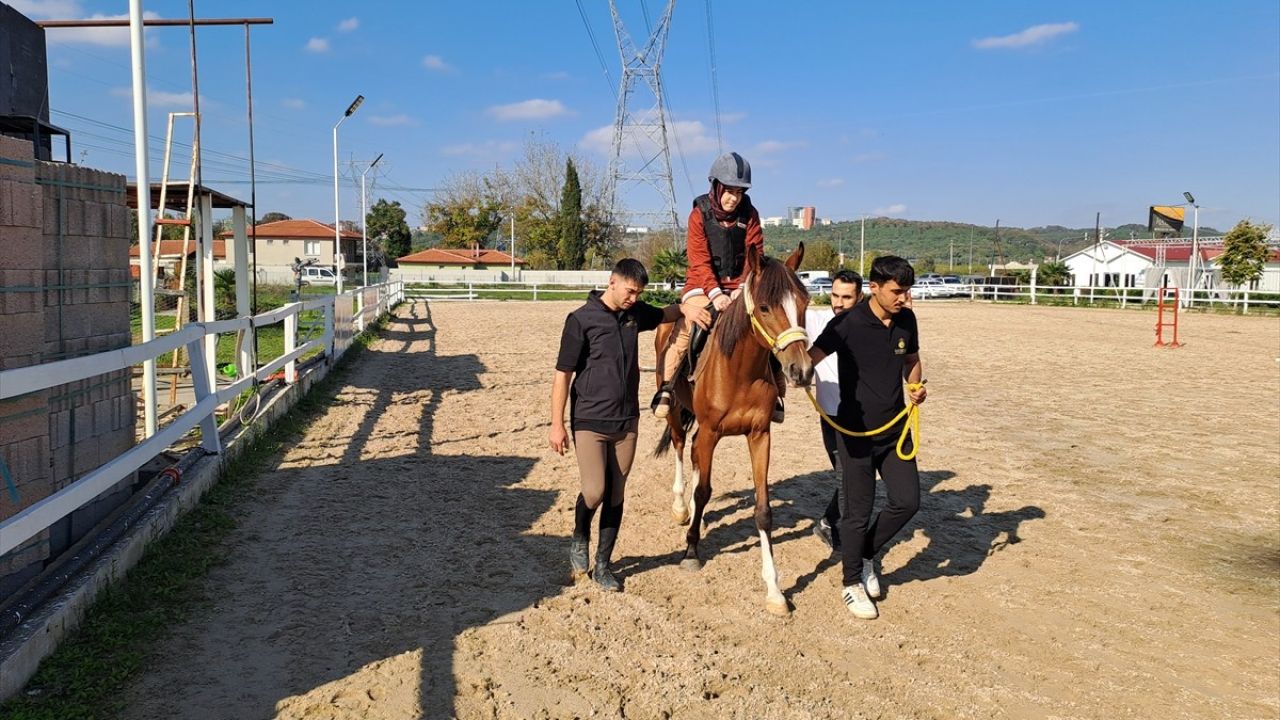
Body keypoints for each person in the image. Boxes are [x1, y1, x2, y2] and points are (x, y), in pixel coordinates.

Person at [549, 259, 710, 591]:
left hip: (626, 421)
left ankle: (604, 565)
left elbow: (666, 314)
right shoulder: (581, 320)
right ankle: (580, 536)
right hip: (590, 421)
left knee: (617, 493)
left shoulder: (635, 315)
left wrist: (687, 309)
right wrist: (557, 424)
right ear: (612, 282)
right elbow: (562, 375)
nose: (634, 298)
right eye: (630, 291)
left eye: (639, 293)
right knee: (595, 491)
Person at [808, 256, 927, 619]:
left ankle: (867, 555)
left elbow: (912, 361)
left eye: (907, 291)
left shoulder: (906, 319)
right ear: (874, 288)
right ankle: (851, 583)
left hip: (895, 431)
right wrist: (793, 372)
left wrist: (916, 386)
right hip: (855, 434)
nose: (904, 299)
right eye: (897, 291)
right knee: (856, 514)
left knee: (907, 502)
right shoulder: (846, 323)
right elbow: (810, 357)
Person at [652, 151, 786, 422]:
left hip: (739, 286)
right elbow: (699, 259)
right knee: (692, 323)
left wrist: (741, 288)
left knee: (764, 323)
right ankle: (667, 387)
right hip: (701, 286)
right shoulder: (698, 214)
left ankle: (776, 390)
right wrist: (715, 293)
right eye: (729, 191)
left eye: (739, 192)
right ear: (715, 186)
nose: (733, 198)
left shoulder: (750, 215)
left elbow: (755, 255)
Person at [806, 270, 863, 551]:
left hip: (866, 414)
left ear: (860, 297)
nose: (838, 303)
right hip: (832, 415)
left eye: (846, 297)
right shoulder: (816, 321)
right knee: (847, 475)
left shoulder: (868, 323)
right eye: (835, 295)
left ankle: (829, 522)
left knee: (854, 476)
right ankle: (832, 524)